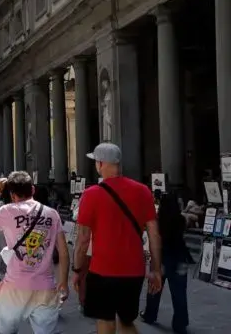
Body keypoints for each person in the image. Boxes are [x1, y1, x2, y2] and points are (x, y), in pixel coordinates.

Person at [73, 143, 162, 334]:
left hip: (102, 270)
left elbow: (82, 240)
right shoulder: (143, 191)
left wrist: (77, 269)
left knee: (105, 322)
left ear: (100, 164)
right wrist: (156, 270)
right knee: (127, 321)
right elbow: (154, 234)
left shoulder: (91, 194)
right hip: (134, 270)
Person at [0, 171, 70, 334]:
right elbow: (63, 252)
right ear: (32, 190)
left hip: (14, 287)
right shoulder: (52, 214)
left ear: (12, 195)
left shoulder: (7, 211)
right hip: (45, 286)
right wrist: (63, 282)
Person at [140, 192, 190, 333]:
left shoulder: (157, 221)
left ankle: (150, 314)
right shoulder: (181, 220)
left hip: (162, 258)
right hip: (180, 259)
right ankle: (180, 323)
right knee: (179, 294)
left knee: (154, 289)